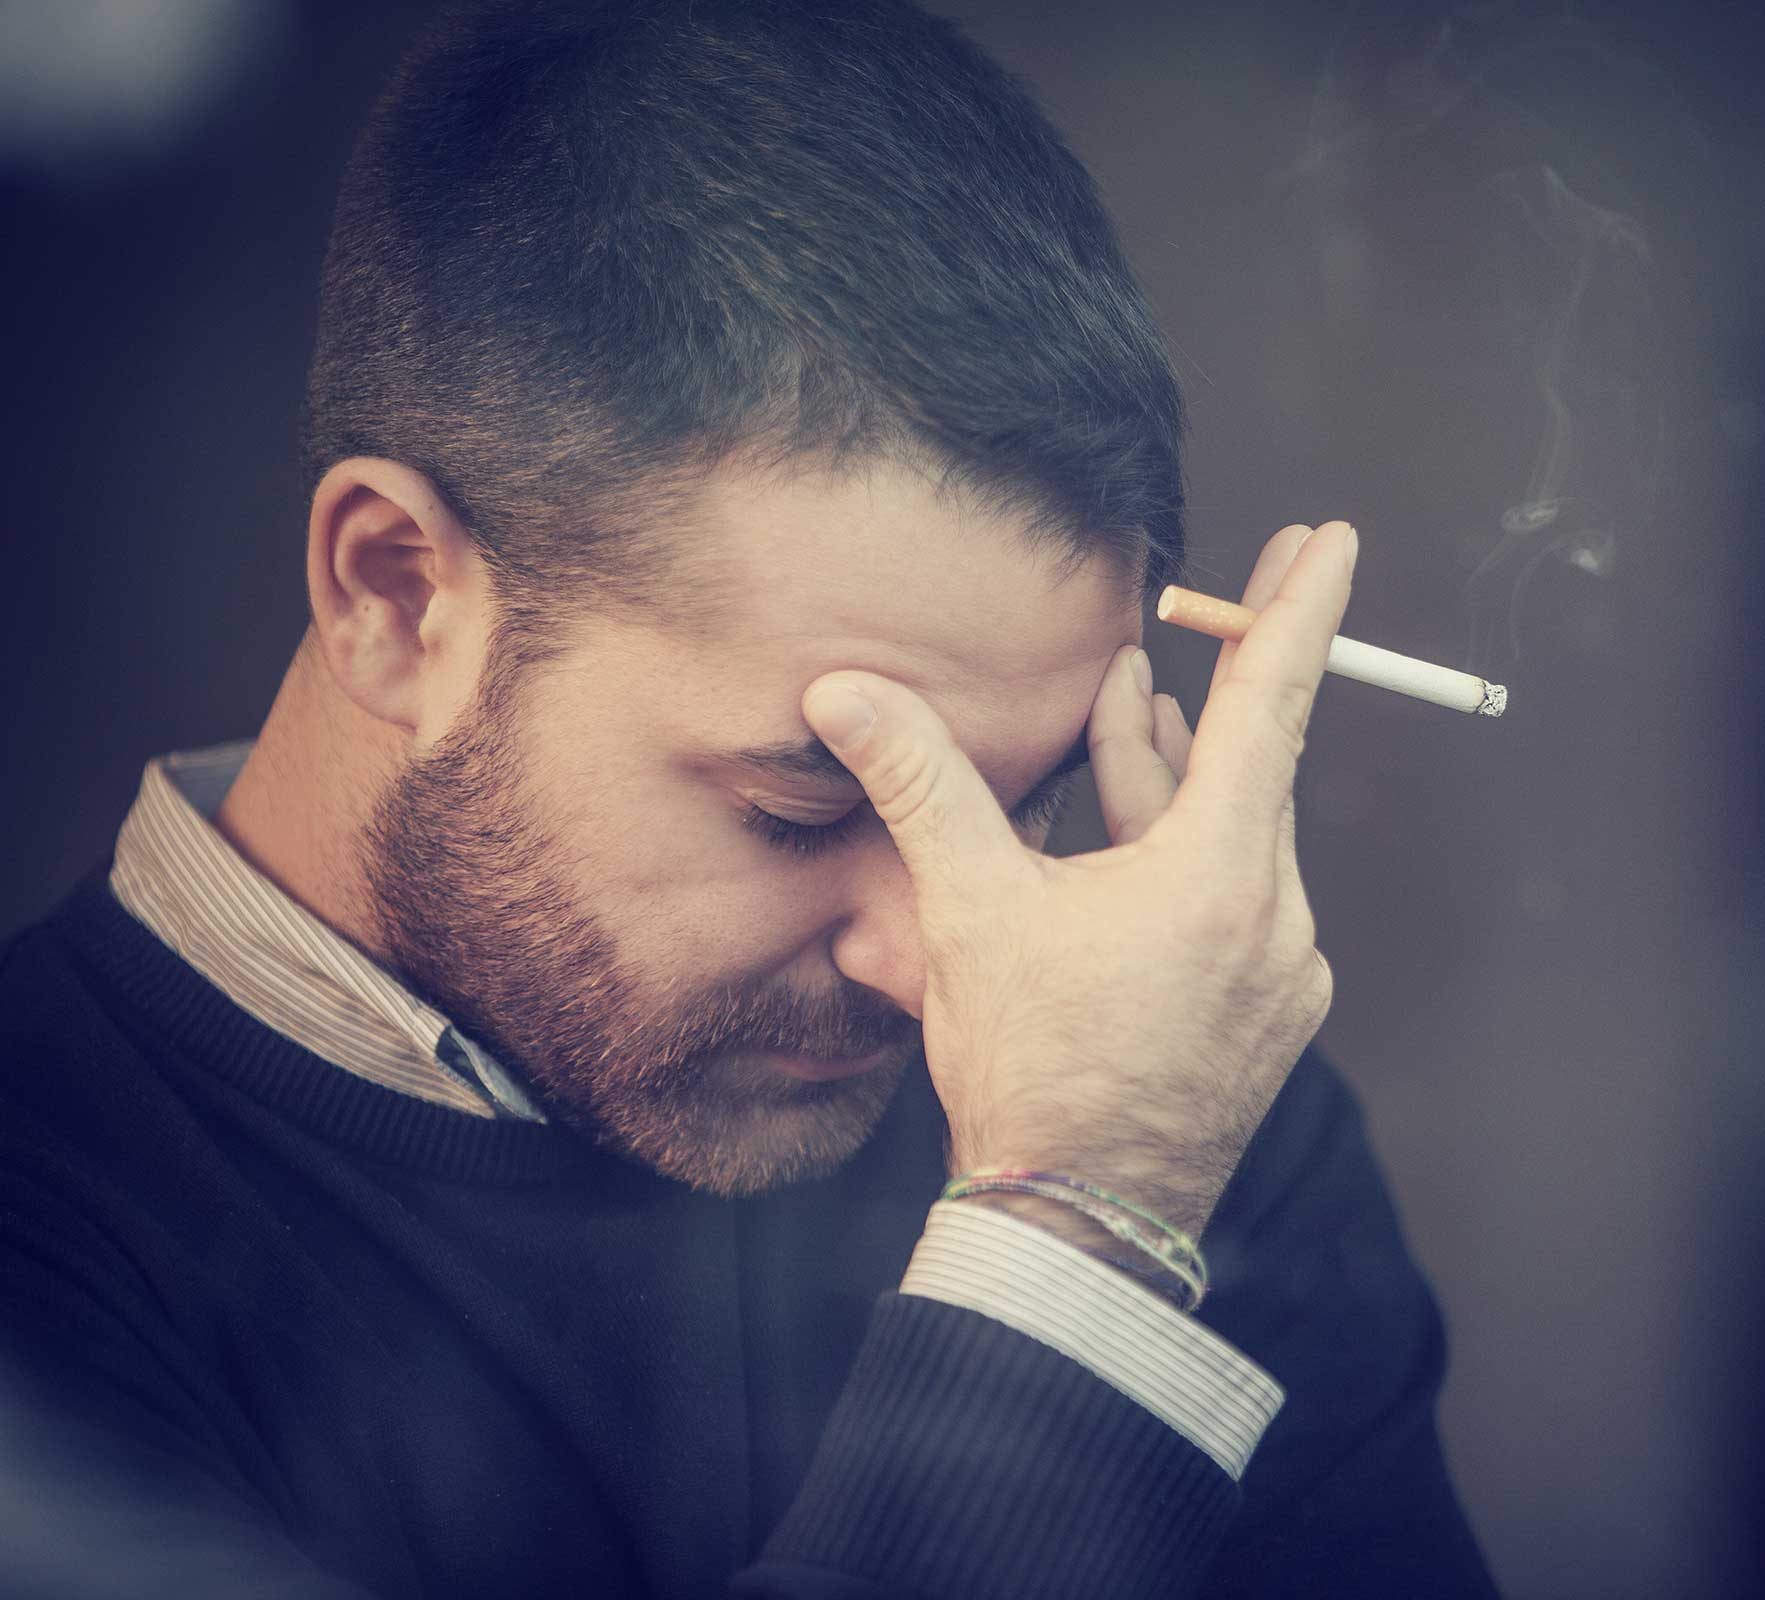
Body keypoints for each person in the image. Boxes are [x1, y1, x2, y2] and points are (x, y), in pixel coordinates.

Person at [0, 2, 1501, 1596]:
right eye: (801, 807)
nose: (933, 965)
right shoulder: (44, 1239)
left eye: (1016, 808)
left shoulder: (1169, 1111)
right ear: (394, 594)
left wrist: (1120, 1178)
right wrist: (1073, 1250)